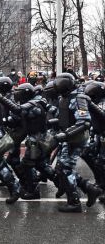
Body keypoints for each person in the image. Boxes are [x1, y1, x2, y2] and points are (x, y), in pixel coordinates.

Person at [52, 73, 101, 212]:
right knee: (62, 169)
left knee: (64, 169)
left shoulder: (79, 98)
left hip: (76, 139)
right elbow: (66, 117)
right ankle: (90, 189)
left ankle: (74, 203)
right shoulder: (66, 97)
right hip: (68, 138)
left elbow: (84, 122)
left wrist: (66, 134)